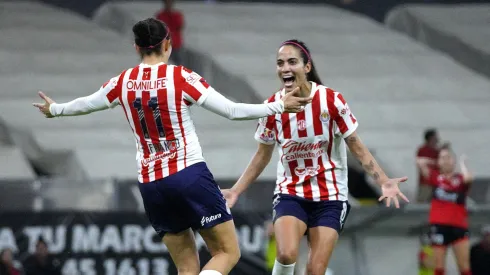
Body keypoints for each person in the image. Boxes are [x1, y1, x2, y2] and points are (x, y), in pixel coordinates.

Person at [32, 18, 310, 275]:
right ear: (168, 43)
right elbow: (232, 110)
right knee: (227, 252)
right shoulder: (180, 77)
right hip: (188, 175)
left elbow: (87, 103)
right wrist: (277, 105)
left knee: (187, 269)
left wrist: (55, 109)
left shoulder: (123, 82)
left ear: (137, 47)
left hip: (152, 185)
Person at [222, 39, 409, 275]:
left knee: (315, 269)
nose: (285, 68)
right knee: (286, 253)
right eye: (280, 63)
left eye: (292, 62)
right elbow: (262, 155)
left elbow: (356, 146)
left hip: (330, 196)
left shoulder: (331, 101)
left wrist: (383, 180)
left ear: (307, 67)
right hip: (291, 193)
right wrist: (236, 190)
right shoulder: (272, 107)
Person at [417, 145, 473, 275]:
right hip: (439, 226)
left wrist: (462, 163)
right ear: (438, 161)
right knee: (439, 268)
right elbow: (420, 161)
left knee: (464, 267)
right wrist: (434, 161)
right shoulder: (436, 177)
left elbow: (469, 178)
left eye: (448, 157)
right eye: (442, 158)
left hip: (459, 225)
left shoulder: (459, 180)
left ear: (453, 160)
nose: (445, 160)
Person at [155, 0, 184, 65]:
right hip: (166, 43)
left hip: (176, 43)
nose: (168, 4)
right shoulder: (160, 15)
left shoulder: (177, 15)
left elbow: (180, 26)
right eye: (167, 2)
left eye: (170, 2)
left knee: (178, 63)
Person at [416, 128, 441, 202]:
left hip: (437, 183)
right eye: (435, 137)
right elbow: (419, 162)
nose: (437, 139)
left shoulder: (437, 151)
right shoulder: (422, 150)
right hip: (425, 184)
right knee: (422, 203)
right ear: (431, 138)